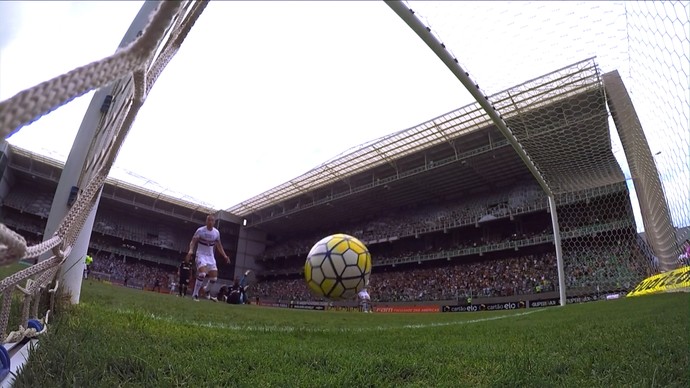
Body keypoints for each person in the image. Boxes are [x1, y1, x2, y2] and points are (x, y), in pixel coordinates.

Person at [187, 214, 230, 302]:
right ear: (206, 221)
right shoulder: (200, 230)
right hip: (201, 255)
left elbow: (219, 245)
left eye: (212, 220)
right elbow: (193, 241)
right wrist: (191, 250)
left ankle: (206, 290)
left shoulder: (216, 233)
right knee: (202, 274)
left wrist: (225, 256)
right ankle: (195, 294)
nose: (210, 222)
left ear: (214, 222)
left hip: (210, 257)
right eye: (208, 220)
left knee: (214, 278)